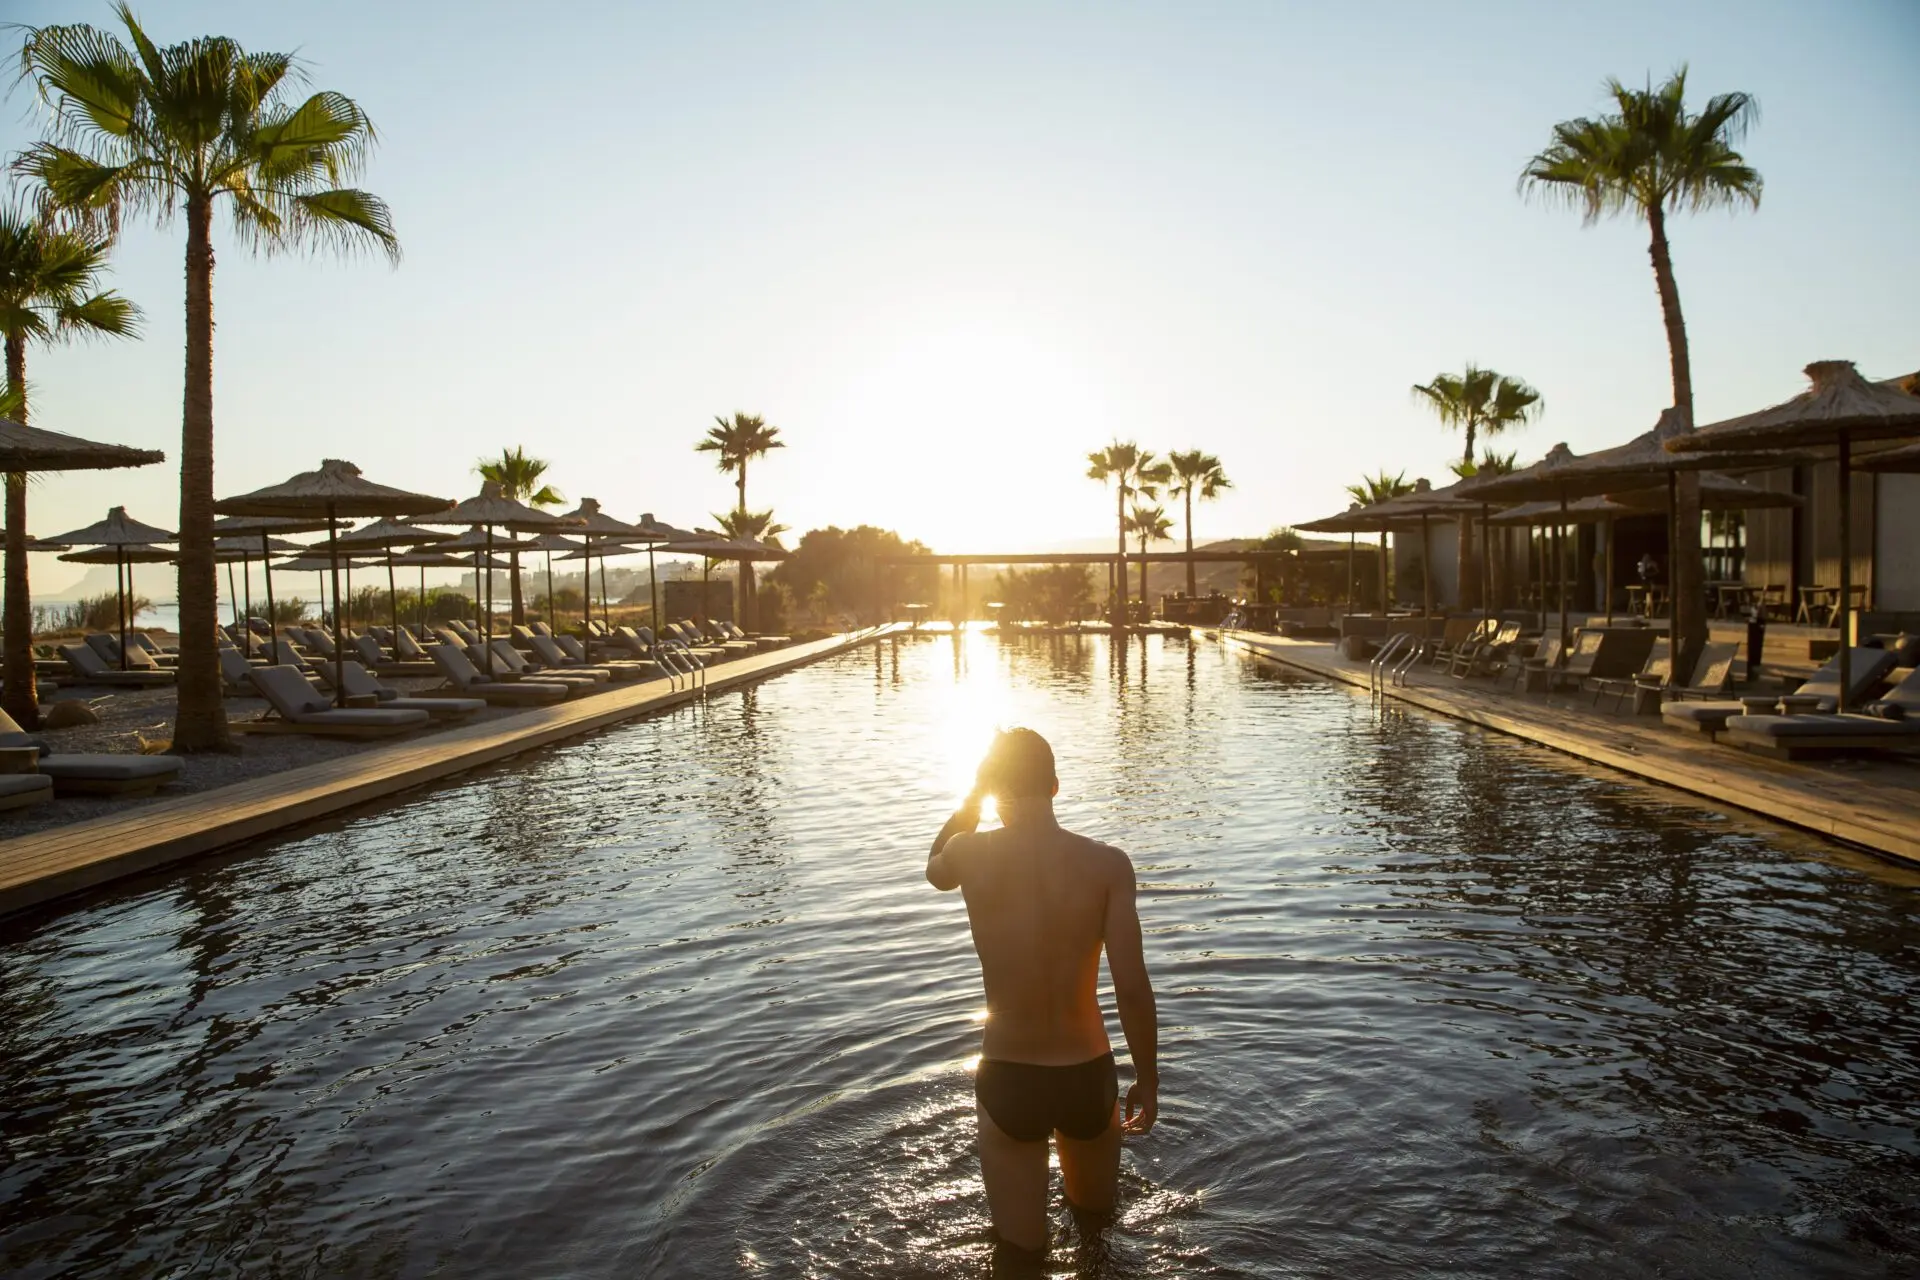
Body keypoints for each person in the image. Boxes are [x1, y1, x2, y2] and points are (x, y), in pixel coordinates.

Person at [926, 728, 1158, 1261]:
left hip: (1010, 1074)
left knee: (1021, 1254)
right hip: (1088, 1073)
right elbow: (1132, 985)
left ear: (994, 788)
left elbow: (933, 869)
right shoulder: (1107, 865)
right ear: (1055, 785)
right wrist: (1147, 1076)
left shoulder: (968, 853)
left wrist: (971, 802)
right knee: (1097, 1234)